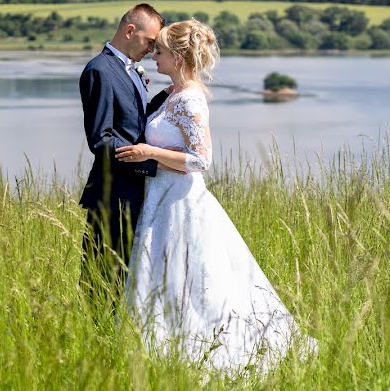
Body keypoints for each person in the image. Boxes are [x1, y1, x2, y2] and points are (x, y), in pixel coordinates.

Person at [116, 19, 317, 372]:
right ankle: (157, 354)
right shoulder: (172, 95)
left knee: (193, 280)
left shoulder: (191, 99)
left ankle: (205, 352)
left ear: (179, 57)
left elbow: (201, 159)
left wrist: (150, 152)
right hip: (161, 197)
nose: (154, 56)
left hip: (181, 201)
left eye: (160, 52)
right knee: (162, 276)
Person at [78, 3, 173, 297]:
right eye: (149, 42)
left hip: (134, 194)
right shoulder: (100, 70)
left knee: (128, 281)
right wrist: (151, 162)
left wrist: (167, 96)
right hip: (112, 194)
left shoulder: (127, 69)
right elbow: (102, 140)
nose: (151, 49)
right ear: (130, 31)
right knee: (103, 282)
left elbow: (134, 121)